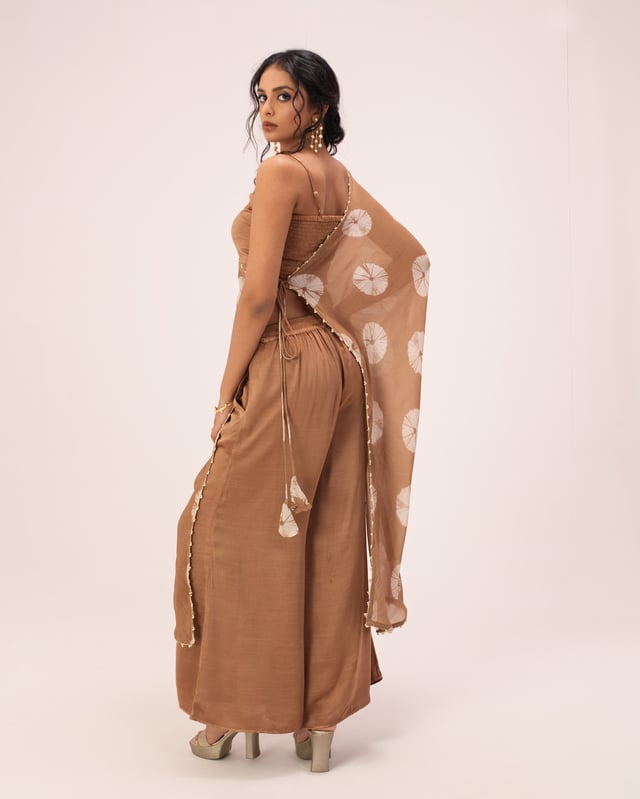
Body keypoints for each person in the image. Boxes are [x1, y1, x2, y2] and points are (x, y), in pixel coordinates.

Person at [173, 49, 430, 773]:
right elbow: (411, 260)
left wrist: (226, 392)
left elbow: (259, 296)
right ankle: (319, 722)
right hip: (339, 365)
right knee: (327, 536)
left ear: (317, 106)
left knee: (223, 530)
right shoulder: (336, 175)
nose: (268, 108)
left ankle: (231, 713)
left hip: (286, 362)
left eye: (284, 96)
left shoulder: (280, 173)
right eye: (262, 96)